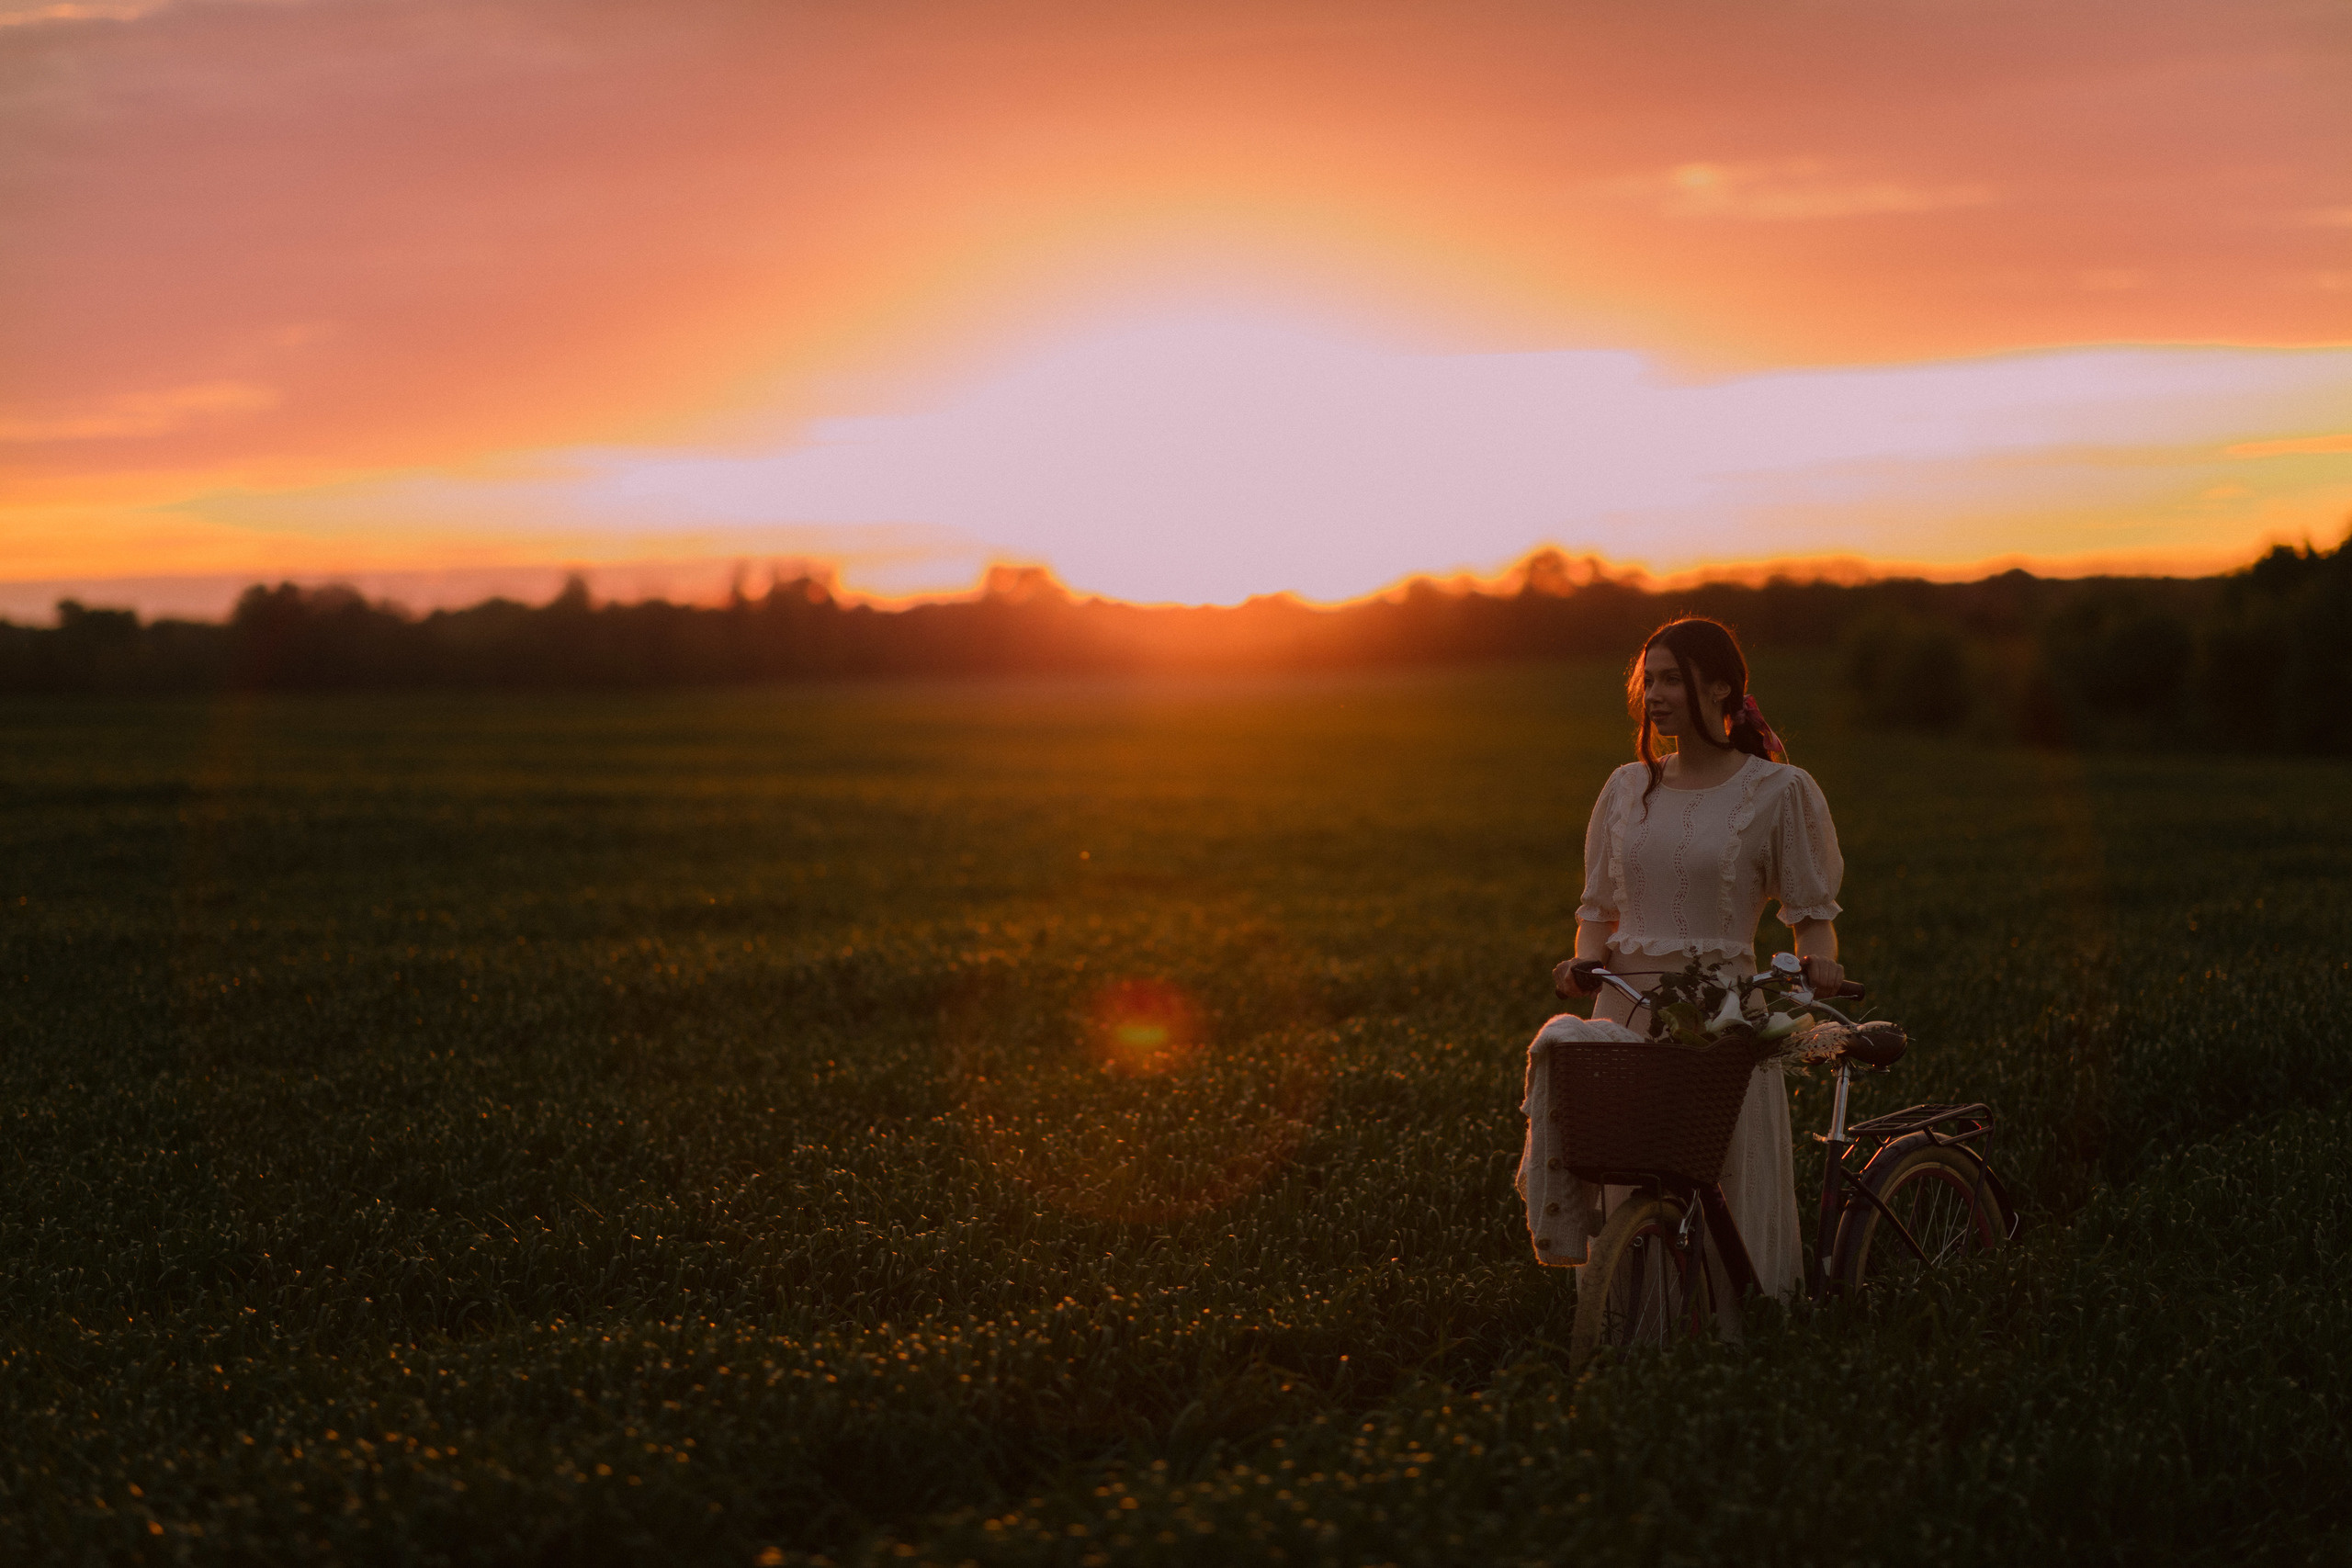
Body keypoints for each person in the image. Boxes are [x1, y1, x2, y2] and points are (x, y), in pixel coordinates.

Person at [1524, 615, 1846, 1299]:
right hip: (1626, 1013)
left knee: (1720, 1176)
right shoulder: (1624, 787)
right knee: (1625, 1183)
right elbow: (1596, 908)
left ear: (1723, 685)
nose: (1656, 695)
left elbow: (1812, 918)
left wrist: (1818, 964)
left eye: (1673, 678)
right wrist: (1584, 962)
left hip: (1723, 1018)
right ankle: (1630, 1330)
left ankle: (1731, 1333)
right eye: (1651, 680)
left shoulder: (1779, 791)